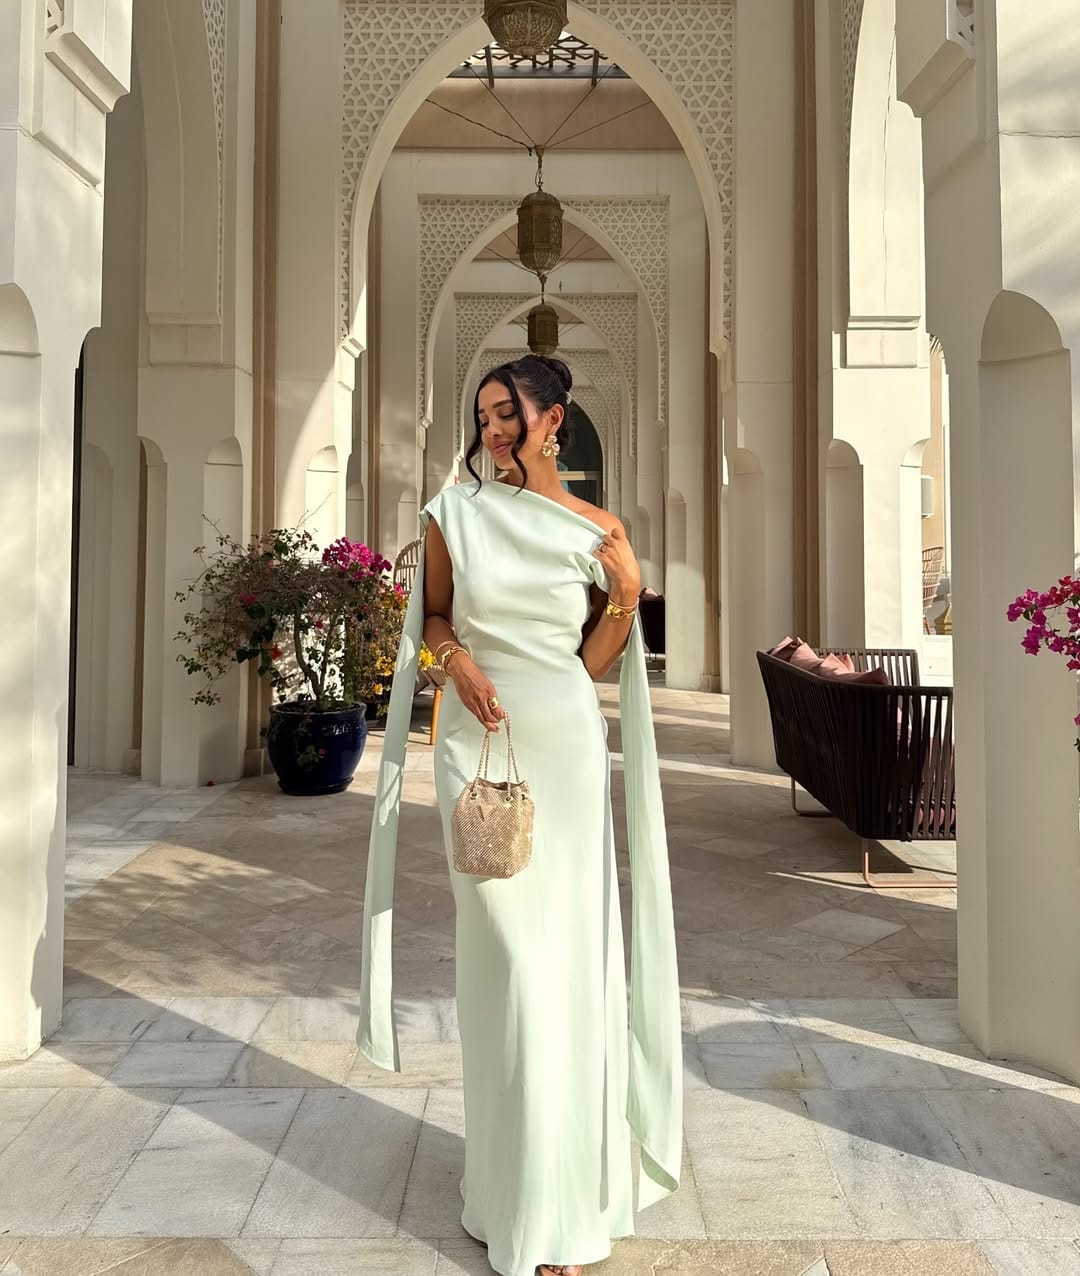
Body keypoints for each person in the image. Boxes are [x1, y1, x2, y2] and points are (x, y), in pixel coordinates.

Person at [358, 355, 681, 1276]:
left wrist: (625, 589)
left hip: (564, 744)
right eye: (482, 415)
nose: (492, 430)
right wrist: (453, 666)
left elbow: (593, 659)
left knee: (567, 964)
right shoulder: (452, 511)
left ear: (554, 420)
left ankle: (555, 1204)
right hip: (474, 740)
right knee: (508, 954)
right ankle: (509, 1187)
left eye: (507, 414)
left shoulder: (597, 529)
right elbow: (436, 619)